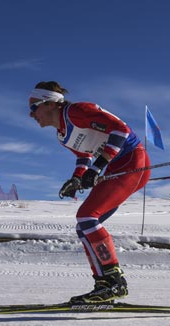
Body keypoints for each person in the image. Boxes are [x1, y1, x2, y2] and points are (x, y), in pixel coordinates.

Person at [29, 81, 150, 304]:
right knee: (83, 226)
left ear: (49, 103)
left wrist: (97, 167)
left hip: (132, 158)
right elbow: (84, 155)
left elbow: (121, 131)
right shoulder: (61, 135)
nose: (31, 114)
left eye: (33, 107)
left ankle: (115, 283)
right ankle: (103, 284)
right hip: (117, 166)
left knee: (87, 216)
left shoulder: (77, 111)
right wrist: (77, 178)